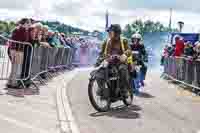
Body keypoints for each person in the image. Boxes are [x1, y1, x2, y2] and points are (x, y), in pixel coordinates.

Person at [95, 24, 132, 98]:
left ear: (117, 33)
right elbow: (101, 53)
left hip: (120, 63)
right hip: (109, 63)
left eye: (110, 32)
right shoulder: (106, 41)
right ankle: (102, 89)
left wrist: (124, 55)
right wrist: (99, 60)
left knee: (122, 70)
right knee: (98, 72)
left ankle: (123, 90)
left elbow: (129, 50)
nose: (108, 33)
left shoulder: (124, 40)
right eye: (108, 32)